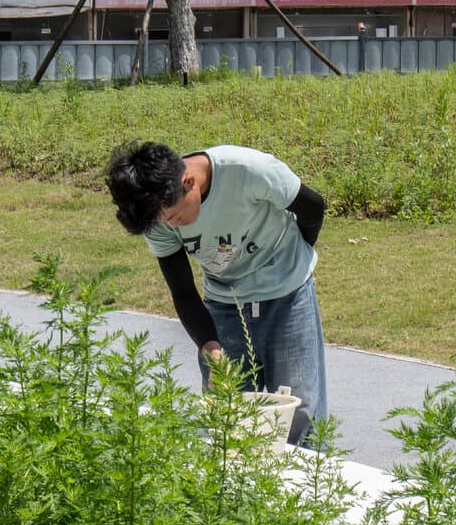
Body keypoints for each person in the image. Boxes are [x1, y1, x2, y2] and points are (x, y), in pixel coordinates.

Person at [106, 141, 328, 445]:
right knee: (225, 418)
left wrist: (293, 263)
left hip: (288, 296)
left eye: (174, 217)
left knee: (299, 415)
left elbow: (313, 206)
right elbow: (182, 290)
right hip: (224, 305)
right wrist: (210, 348)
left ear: (189, 182)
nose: (172, 226)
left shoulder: (249, 170)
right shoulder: (157, 214)